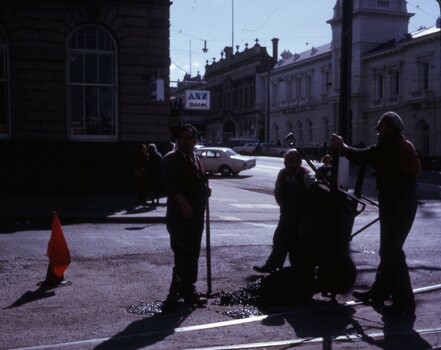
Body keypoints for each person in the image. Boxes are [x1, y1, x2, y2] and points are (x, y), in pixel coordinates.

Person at [331, 111, 421, 317]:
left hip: (397, 206)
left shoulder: (392, 145)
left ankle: (405, 304)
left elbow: (365, 156)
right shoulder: (400, 143)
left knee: (392, 253)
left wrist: (342, 147)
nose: (377, 129)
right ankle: (379, 292)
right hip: (399, 204)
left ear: (390, 127)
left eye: (380, 126)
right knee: (388, 251)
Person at [161, 124, 211, 310]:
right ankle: (174, 293)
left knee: (193, 253)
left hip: (196, 215)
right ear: (178, 140)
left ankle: (189, 290)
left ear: (195, 140)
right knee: (181, 253)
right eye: (183, 138)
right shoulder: (171, 159)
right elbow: (169, 185)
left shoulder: (196, 159)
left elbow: (197, 182)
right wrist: (183, 203)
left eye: (190, 138)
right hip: (179, 216)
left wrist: (205, 191)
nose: (186, 141)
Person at [253, 149, 317, 273]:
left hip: (302, 217)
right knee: (279, 238)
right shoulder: (282, 174)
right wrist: (283, 207)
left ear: (299, 162)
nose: (287, 165)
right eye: (286, 162)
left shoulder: (307, 175)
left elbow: (315, 196)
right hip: (287, 214)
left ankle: (299, 269)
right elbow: (278, 192)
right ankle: (273, 265)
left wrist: (305, 215)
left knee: (297, 243)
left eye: (291, 162)